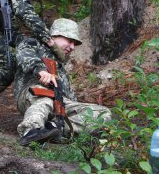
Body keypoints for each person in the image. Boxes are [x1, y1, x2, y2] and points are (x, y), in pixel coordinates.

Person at [14, 18, 112, 146]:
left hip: (59, 103)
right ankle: (31, 131)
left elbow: (71, 100)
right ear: (55, 36)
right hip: (33, 93)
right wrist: (41, 71)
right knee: (45, 100)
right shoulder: (33, 43)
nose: (72, 47)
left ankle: (54, 129)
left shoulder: (60, 68)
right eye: (70, 41)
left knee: (103, 113)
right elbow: (24, 55)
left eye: (74, 44)